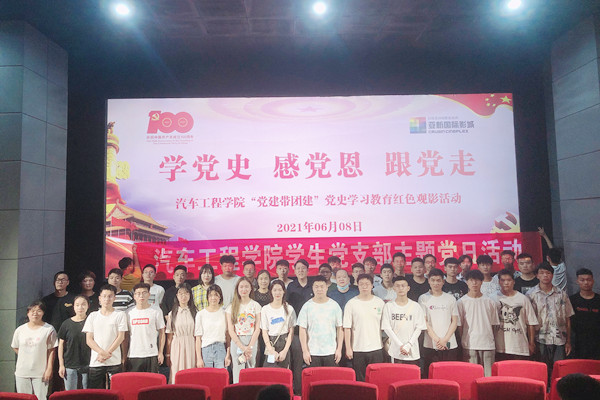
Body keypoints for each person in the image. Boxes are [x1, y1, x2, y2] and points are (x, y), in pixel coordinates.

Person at [527, 262, 573, 381]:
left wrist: (568, 341)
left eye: (548, 273)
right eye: (542, 273)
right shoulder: (531, 294)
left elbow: (567, 318)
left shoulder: (561, 294)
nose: (545, 275)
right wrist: (530, 342)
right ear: (537, 275)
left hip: (559, 339)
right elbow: (529, 321)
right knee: (542, 369)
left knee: (559, 369)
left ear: (552, 275)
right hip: (540, 338)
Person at [83, 284, 127, 389]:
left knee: (116, 391)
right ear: (99, 298)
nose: (107, 299)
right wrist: (102, 353)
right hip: (96, 361)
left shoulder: (120, 315)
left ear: (114, 298)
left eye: (110, 296)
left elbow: (121, 337)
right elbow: (89, 340)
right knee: (96, 393)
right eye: (104, 296)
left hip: (114, 360)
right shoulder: (93, 316)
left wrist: (108, 353)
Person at [457, 269, 500, 377]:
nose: (474, 283)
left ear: (481, 282)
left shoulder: (490, 301)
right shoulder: (461, 302)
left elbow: (494, 325)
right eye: (471, 280)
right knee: (472, 375)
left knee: (488, 376)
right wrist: (464, 340)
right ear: (467, 282)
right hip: (470, 344)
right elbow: (460, 326)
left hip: (488, 344)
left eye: (477, 280)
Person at [12, 301, 58, 400]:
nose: (35, 313)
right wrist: (26, 355)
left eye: (39, 311)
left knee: (41, 398)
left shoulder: (49, 329)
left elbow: (51, 350)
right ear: (28, 313)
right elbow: (15, 346)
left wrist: (49, 369)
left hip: (40, 372)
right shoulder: (20, 330)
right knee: (23, 398)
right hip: (22, 371)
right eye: (32, 311)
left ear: (43, 313)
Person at [343, 274, 385, 381]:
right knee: (360, 380)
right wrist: (348, 348)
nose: (364, 286)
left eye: (367, 284)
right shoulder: (351, 304)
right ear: (357, 285)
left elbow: (385, 326)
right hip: (358, 348)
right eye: (361, 284)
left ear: (372, 285)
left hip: (376, 347)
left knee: (376, 379)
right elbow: (347, 328)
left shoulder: (379, 303)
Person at [419, 268, 459, 374]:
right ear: (428, 281)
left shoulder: (450, 298)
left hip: (449, 343)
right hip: (430, 344)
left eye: (438, 280)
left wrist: (444, 340)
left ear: (443, 281)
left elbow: (454, 321)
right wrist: (437, 340)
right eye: (433, 280)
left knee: (448, 374)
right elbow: (424, 322)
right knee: (431, 375)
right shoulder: (423, 298)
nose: (435, 283)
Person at [298, 276, 343, 367]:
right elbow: (302, 329)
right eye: (316, 287)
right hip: (312, 352)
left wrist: (339, 349)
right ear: (312, 288)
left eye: (322, 286)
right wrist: (305, 351)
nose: (319, 289)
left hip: (331, 351)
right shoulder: (307, 306)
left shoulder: (334, 306)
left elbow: (340, 329)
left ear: (326, 288)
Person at [494, 269, 538, 361]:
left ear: (514, 281)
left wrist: (531, 342)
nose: (506, 283)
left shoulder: (523, 299)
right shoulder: (492, 298)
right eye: (503, 280)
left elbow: (531, 322)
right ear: (499, 282)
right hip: (499, 346)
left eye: (509, 280)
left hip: (519, 346)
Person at [382, 276, 426, 365]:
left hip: (412, 350)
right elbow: (387, 328)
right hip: (395, 351)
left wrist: (408, 345)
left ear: (408, 288)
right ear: (394, 288)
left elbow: (419, 328)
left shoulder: (416, 306)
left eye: (403, 286)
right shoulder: (389, 306)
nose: (400, 288)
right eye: (397, 286)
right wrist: (400, 346)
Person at [226, 277, 262, 383]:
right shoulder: (231, 307)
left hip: (252, 340)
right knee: (237, 371)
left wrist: (249, 347)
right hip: (237, 341)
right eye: (241, 287)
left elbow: (257, 328)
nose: (244, 289)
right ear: (237, 289)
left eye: (246, 287)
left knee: (251, 369)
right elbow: (231, 330)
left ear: (251, 288)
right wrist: (242, 347)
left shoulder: (256, 306)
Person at [126, 283, 166, 372]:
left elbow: (162, 332)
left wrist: (160, 352)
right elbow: (126, 335)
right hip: (133, 354)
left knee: (152, 380)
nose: (141, 296)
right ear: (134, 296)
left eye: (144, 293)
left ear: (149, 294)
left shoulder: (156, 311)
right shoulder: (128, 312)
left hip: (151, 353)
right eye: (138, 293)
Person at [286, 259, 312, 395]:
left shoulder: (313, 285)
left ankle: (311, 389)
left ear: (308, 270)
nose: (301, 271)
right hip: (296, 330)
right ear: (294, 271)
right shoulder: (291, 287)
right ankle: (298, 392)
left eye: (303, 268)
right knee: (297, 361)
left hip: (312, 330)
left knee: (311, 360)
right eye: (298, 269)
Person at [58, 295, 91, 390]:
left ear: (88, 306)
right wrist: (61, 365)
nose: (80, 307)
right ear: (73, 307)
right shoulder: (66, 324)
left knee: (87, 394)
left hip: (88, 364)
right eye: (77, 305)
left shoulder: (91, 321)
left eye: (83, 304)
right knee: (70, 394)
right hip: (70, 364)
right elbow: (61, 345)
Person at [166, 283, 196, 383]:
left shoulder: (195, 312)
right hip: (177, 346)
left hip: (191, 345)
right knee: (177, 371)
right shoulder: (172, 314)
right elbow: (169, 337)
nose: (183, 296)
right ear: (177, 296)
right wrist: (168, 354)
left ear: (190, 295)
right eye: (181, 293)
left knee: (191, 371)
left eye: (186, 293)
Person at [261, 280, 296, 368]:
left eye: (280, 290)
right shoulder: (265, 309)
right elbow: (264, 331)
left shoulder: (289, 309)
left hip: (284, 342)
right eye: (275, 290)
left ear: (284, 291)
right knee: (269, 372)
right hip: (271, 343)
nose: (277, 293)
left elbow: (291, 332)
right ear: (271, 292)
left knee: (284, 373)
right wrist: (271, 350)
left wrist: (285, 351)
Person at [195, 285, 230, 369]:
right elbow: (198, 338)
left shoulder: (225, 313)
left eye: (216, 295)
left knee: (221, 375)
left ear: (220, 297)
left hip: (220, 348)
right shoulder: (200, 314)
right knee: (207, 376)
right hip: (206, 349)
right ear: (207, 298)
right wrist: (199, 358)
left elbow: (228, 335)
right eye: (210, 295)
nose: (213, 298)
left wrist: (228, 355)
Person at [569, 268, 600, 359]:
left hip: (597, 341)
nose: (586, 283)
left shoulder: (598, 300)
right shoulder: (572, 300)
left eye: (588, 280)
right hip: (578, 342)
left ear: (593, 281)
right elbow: (568, 322)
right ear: (577, 281)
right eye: (582, 280)